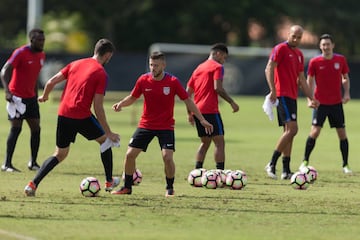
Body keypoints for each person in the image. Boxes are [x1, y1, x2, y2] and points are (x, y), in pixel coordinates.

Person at [24, 38, 120, 196]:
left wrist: (45, 96)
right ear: (108, 55)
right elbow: (98, 107)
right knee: (106, 141)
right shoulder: (101, 73)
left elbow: (51, 81)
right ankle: (109, 182)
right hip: (81, 115)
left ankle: (32, 185)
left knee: (59, 154)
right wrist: (108, 132)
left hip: (63, 114)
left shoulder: (75, 63)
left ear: (95, 50)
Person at [110, 51, 213, 197]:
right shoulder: (143, 80)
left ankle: (169, 188)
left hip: (166, 127)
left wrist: (201, 119)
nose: (153, 68)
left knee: (167, 157)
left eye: (156, 65)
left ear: (164, 65)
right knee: (129, 155)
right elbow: (133, 97)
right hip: (146, 125)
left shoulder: (172, 82)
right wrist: (121, 104)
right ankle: (127, 187)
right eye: (151, 65)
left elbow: (188, 100)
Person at [264, 25, 319, 180]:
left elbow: (301, 79)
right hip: (282, 95)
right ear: (288, 34)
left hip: (292, 96)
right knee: (293, 130)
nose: (296, 39)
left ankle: (286, 170)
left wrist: (311, 97)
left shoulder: (300, 54)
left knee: (288, 133)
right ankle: (272, 163)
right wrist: (273, 91)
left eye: (299, 37)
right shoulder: (280, 49)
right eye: (293, 36)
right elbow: (269, 69)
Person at [300, 34, 352, 174]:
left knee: (342, 134)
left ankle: (345, 165)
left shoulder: (340, 60)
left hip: (336, 103)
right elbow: (309, 81)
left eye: (328, 44)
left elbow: (345, 78)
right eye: (323, 44)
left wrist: (346, 93)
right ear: (320, 46)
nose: (326, 47)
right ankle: (304, 161)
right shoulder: (314, 62)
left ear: (333, 45)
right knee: (315, 132)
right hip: (320, 103)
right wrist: (309, 99)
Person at [186, 43, 239, 171]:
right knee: (219, 143)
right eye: (224, 57)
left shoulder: (198, 68)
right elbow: (218, 88)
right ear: (218, 53)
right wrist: (232, 102)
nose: (224, 61)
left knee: (205, 143)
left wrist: (190, 113)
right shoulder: (217, 67)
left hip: (198, 111)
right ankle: (220, 173)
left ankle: (197, 172)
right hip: (210, 110)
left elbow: (187, 93)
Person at [0, 28, 45, 172]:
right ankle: (7, 164)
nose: (42, 42)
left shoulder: (41, 55)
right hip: (17, 98)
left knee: (36, 129)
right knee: (16, 129)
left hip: (31, 98)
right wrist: (7, 91)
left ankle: (33, 162)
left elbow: (34, 77)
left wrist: (37, 95)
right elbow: (4, 71)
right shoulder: (20, 53)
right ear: (31, 40)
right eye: (39, 40)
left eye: (43, 40)